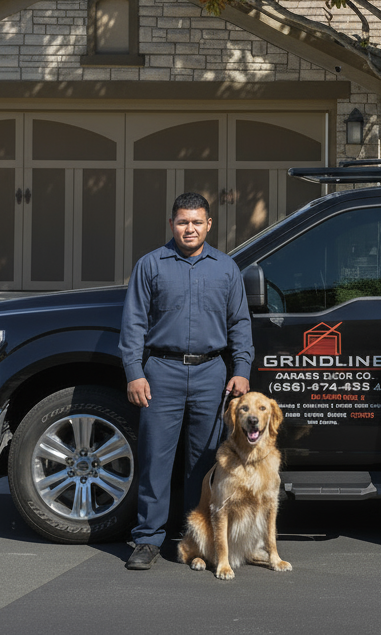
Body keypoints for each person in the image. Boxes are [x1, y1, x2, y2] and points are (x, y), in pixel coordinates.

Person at [119, 191, 254, 570]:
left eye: (197, 222)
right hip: (161, 373)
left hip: (213, 375)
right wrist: (135, 372)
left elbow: (240, 325)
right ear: (172, 224)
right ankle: (147, 540)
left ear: (209, 225)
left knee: (204, 465)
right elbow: (133, 325)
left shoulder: (226, 269)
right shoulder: (151, 265)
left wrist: (241, 370)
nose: (189, 228)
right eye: (183, 221)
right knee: (155, 459)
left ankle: (199, 539)